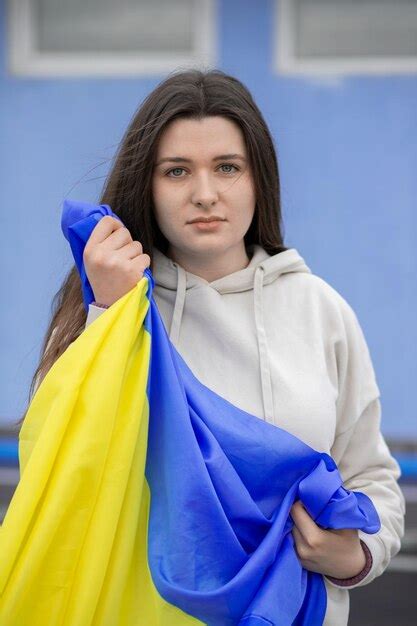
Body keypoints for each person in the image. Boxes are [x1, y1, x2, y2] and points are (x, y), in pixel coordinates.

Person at [22, 69, 405, 626]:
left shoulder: (323, 311)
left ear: (259, 180)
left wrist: (357, 555)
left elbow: (370, 477)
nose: (205, 194)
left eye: (227, 167)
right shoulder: (109, 310)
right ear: (146, 185)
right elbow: (61, 472)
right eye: (177, 171)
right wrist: (109, 315)